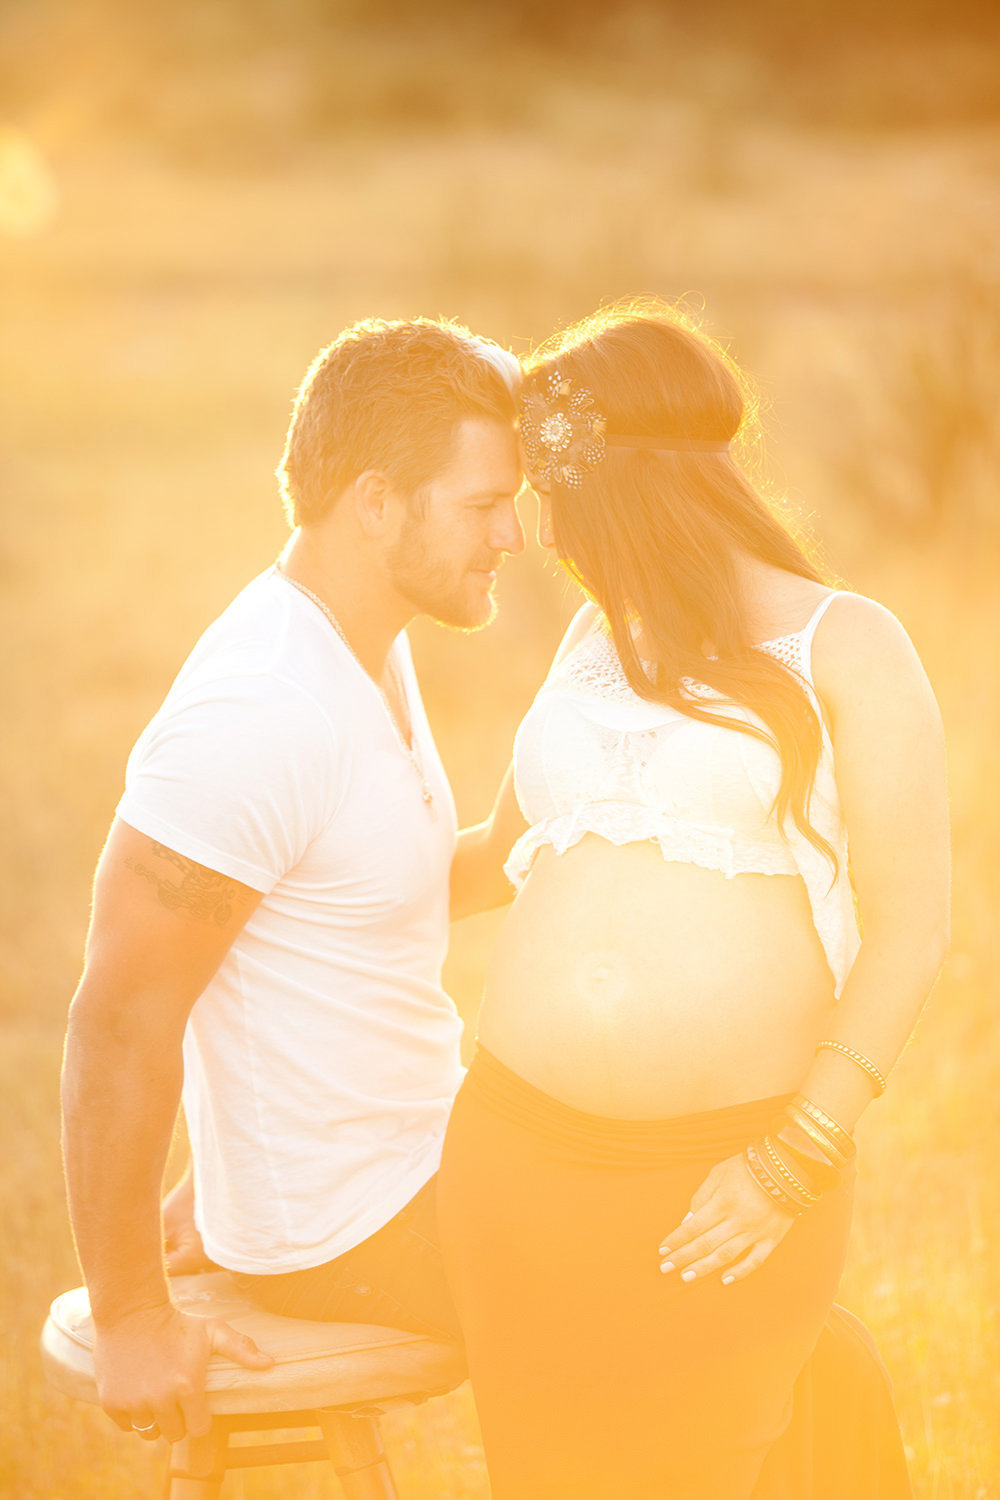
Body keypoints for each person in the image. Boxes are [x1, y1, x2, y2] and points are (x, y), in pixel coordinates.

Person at [438, 302, 950, 1498]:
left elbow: (912, 928)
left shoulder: (848, 647)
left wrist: (794, 1157)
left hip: (726, 1178)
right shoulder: (590, 636)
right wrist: (287, 882)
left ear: (609, 489)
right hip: (516, 1160)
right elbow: (497, 852)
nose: (526, 531)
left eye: (542, 495)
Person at [59, 315, 525, 1448]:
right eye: (483, 505)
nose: (511, 535)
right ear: (377, 504)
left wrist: (561, 798)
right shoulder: (259, 709)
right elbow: (122, 1015)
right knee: (684, 1295)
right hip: (350, 1236)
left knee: (699, 1206)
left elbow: (362, 902)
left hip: (416, 1160)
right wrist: (128, 1314)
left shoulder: (368, 642)